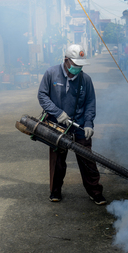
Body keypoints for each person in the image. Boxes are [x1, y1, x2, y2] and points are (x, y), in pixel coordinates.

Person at [37, 44, 106, 205]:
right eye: (75, 65)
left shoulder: (86, 80)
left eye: (80, 65)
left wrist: (89, 123)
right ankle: (55, 191)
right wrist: (57, 113)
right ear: (66, 60)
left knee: (87, 161)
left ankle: (95, 192)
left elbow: (90, 103)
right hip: (57, 126)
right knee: (57, 161)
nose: (78, 68)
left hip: (80, 126)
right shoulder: (51, 73)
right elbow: (42, 96)